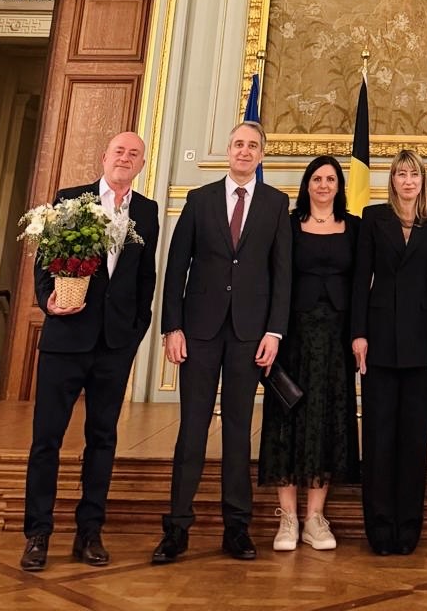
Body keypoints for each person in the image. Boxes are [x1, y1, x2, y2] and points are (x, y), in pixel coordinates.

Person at [152, 121, 291, 565]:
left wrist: (274, 332)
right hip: (198, 332)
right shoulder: (200, 199)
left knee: (237, 431)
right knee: (192, 430)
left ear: (262, 155)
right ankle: (176, 529)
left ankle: (237, 528)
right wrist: (172, 327)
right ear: (228, 151)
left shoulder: (276, 203)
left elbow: (282, 274)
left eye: (253, 146)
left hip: (250, 335)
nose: (244, 151)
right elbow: (176, 267)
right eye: (238, 144)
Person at [20, 132, 158, 572]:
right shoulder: (70, 200)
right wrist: (48, 301)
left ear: (141, 165)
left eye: (134, 154)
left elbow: (146, 277)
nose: (125, 158)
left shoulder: (148, 211)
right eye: (119, 151)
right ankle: (38, 533)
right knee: (47, 439)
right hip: (66, 339)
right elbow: (45, 263)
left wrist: (136, 330)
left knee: (102, 439)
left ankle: (89, 532)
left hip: (115, 346)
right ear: (104, 157)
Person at [350, 149, 427, 554]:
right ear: (391, 179)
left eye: (414, 174)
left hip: (422, 340)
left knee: (413, 437)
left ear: (423, 180)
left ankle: (408, 526)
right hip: (377, 338)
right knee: (378, 436)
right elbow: (361, 279)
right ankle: (378, 527)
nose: (408, 181)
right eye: (401, 174)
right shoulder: (373, 217)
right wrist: (358, 333)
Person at [259, 154, 360, 552]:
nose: (323, 185)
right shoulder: (286, 224)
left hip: (336, 338)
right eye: (316, 179)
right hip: (291, 335)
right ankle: (287, 518)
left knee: (327, 418)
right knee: (287, 419)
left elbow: (360, 284)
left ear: (339, 186)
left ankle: (315, 518)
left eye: (330, 179)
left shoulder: (355, 226)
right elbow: (272, 277)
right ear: (307, 185)